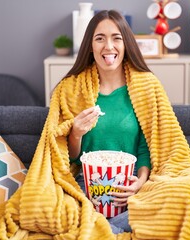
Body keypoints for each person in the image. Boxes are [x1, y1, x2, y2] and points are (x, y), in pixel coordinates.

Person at [62, 9, 153, 233]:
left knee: (166, 205)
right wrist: (76, 133)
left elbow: (147, 146)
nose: (108, 47)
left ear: (126, 44)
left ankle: (100, 231)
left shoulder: (144, 88)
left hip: (130, 185)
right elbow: (68, 157)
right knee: (63, 211)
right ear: (90, 46)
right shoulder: (73, 90)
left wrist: (140, 182)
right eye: (100, 38)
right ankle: (103, 229)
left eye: (116, 38)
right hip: (86, 185)